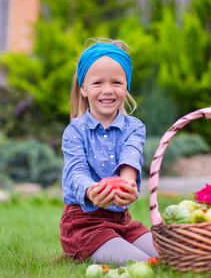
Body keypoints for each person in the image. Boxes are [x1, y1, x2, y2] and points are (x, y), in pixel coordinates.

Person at [59, 38, 159, 265]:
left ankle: (102, 247)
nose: (107, 90)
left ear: (126, 87)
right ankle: (77, 250)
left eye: (116, 82)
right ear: (83, 88)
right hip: (84, 224)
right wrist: (91, 191)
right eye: (97, 83)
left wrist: (128, 184)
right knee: (143, 264)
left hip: (121, 222)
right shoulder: (75, 130)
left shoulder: (134, 127)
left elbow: (131, 156)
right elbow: (76, 171)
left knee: (168, 256)